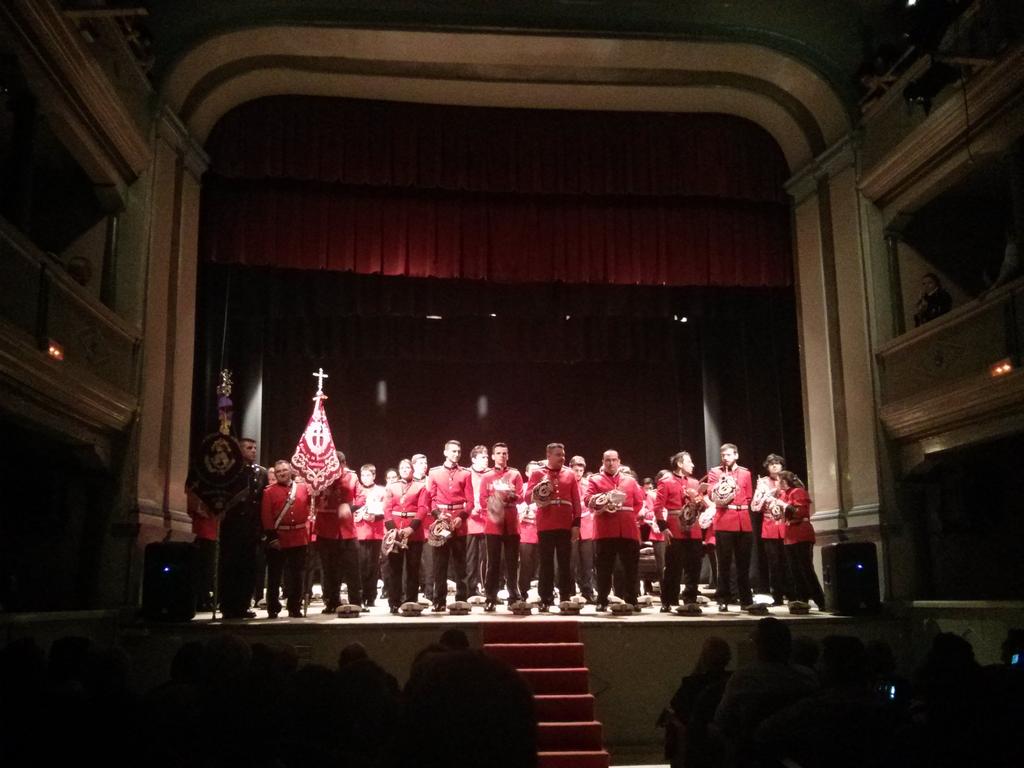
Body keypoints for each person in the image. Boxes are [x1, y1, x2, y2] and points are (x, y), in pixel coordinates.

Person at [585, 449, 644, 612]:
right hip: (605, 530)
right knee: (604, 568)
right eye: (607, 460)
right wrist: (602, 504)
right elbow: (587, 500)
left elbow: (639, 503)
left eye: (613, 460)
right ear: (603, 462)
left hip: (628, 530)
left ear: (619, 461)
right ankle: (602, 600)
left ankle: (632, 599)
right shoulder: (595, 480)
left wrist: (628, 515)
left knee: (631, 568)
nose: (611, 463)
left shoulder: (630, 481)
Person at [524, 443, 582, 611]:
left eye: (563, 454)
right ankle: (546, 598)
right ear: (549, 455)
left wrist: (576, 524)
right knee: (546, 563)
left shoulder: (570, 474)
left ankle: (565, 596)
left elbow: (576, 501)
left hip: (565, 524)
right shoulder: (537, 473)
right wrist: (538, 488)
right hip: (546, 524)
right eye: (558, 454)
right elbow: (527, 498)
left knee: (565, 563)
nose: (562, 458)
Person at [219, 437, 267, 618]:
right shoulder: (229, 472)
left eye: (255, 447)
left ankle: (243, 604)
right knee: (231, 567)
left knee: (249, 568)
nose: (253, 450)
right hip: (232, 526)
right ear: (239, 450)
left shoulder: (260, 473)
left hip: (251, 527)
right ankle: (228, 606)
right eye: (249, 447)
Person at [708, 443, 758, 613]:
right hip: (724, 521)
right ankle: (723, 598)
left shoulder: (745, 473)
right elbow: (711, 494)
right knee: (724, 563)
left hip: (743, 522)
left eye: (729, 455)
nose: (725, 458)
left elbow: (749, 497)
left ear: (736, 455)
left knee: (743, 564)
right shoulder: (715, 472)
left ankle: (746, 599)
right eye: (723, 456)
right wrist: (721, 484)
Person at [426, 440, 474, 611]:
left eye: (459, 451)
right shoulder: (434, 473)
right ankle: (439, 601)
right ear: (445, 452)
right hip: (441, 524)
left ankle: (461, 600)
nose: (456, 454)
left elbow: (470, 502)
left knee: (461, 565)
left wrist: (461, 517)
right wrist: (438, 515)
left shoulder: (466, 473)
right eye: (453, 451)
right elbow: (429, 499)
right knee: (440, 565)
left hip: (459, 523)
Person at [260, 459, 311, 618]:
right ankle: (273, 607)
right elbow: (266, 516)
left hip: (298, 537)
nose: (282, 473)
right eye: (279, 471)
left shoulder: (303, 489)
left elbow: (309, 509)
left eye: (284, 470)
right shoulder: (269, 492)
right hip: (279, 538)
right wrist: (272, 537)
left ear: (291, 471)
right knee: (275, 576)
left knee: (297, 575)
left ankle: (294, 606)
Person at [655, 452, 706, 612]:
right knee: (673, 567)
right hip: (675, 527)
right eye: (689, 462)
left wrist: (700, 500)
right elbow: (657, 507)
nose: (693, 465)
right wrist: (663, 528)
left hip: (694, 529)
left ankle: (690, 599)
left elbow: (701, 507)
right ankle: (668, 600)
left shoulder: (694, 482)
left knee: (694, 566)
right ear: (679, 464)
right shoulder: (666, 481)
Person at [479, 442, 524, 612]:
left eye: (505, 453)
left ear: (508, 455)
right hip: (493, 525)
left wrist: (512, 496)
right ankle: (490, 597)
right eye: (498, 453)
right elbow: (482, 499)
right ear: (493, 456)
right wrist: (494, 506)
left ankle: (513, 595)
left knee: (513, 562)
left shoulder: (515, 474)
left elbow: (521, 497)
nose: (502, 456)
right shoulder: (486, 476)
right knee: (493, 563)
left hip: (512, 523)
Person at [383, 458, 431, 614]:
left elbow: (423, 509)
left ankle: (410, 600)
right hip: (395, 532)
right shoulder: (392, 487)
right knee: (394, 569)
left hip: (414, 533)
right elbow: (387, 509)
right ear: (399, 470)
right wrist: (393, 530)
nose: (405, 470)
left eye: (407, 467)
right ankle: (394, 602)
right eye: (402, 467)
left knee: (413, 568)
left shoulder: (420, 487)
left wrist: (412, 528)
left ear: (412, 470)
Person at [779, 471, 825, 611]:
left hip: (801, 533)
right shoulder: (785, 494)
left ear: (786, 481)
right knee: (795, 571)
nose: (778, 483)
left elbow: (800, 512)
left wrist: (784, 505)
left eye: (780, 480)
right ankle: (802, 601)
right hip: (790, 535)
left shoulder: (798, 492)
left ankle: (820, 600)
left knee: (806, 569)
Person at [752, 453, 790, 606]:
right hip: (770, 527)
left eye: (777, 463)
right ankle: (778, 595)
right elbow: (755, 507)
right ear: (767, 467)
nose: (774, 466)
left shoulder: (788, 480)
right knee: (774, 564)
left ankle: (793, 594)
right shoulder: (763, 482)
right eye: (771, 464)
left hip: (787, 526)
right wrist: (767, 493)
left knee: (788, 563)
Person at [354, 463, 387, 607]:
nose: (365, 478)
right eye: (363, 475)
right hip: (358, 531)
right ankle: (360, 595)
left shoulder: (381, 490)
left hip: (375, 532)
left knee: (373, 566)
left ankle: (371, 596)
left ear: (374, 476)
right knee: (360, 565)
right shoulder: (356, 490)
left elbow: (386, 509)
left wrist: (374, 517)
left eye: (368, 475)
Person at [185, 487, 220, 613]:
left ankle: (204, 598)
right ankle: (201, 599)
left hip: (211, 532)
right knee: (202, 569)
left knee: (208, 570)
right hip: (201, 532)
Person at [465, 445, 491, 599]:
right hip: (470, 522)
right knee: (471, 558)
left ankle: (488, 589)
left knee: (487, 558)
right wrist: (469, 509)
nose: (486, 459)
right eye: (483, 457)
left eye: (487, 457)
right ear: (474, 459)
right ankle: (470, 589)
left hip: (488, 521)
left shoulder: (492, 474)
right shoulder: (466, 473)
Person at [569, 456, 595, 602]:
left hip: (586, 526)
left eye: (581, 470)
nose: (578, 473)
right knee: (571, 562)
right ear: (570, 468)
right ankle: (570, 591)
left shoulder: (588, 484)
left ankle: (587, 591)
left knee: (587, 562)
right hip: (571, 525)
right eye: (575, 470)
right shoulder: (567, 483)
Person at [517, 461, 542, 601]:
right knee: (526, 563)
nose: (535, 474)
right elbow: (517, 508)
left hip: (542, 530)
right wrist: (525, 510)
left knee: (542, 563)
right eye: (532, 471)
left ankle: (542, 593)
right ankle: (523, 591)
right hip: (526, 530)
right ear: (526, 473)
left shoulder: (546, 489)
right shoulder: (523, 488)